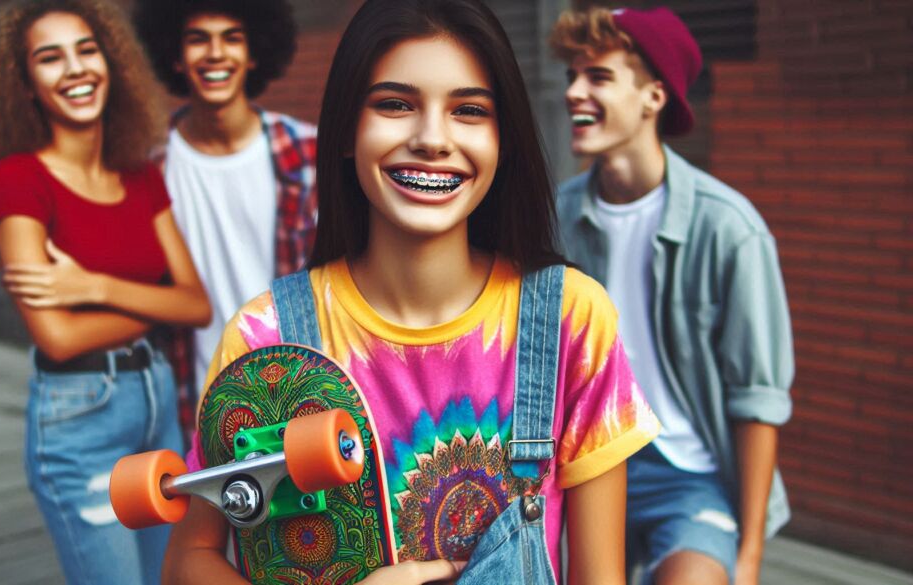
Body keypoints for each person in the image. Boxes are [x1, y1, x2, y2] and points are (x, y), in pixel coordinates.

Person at [162, 0, 661, 583]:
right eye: (396, 104)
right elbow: (189, 563)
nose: (432, 138)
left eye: (469, 110)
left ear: (505, 139)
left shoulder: (571, 321)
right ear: (348, 130)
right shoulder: (262, 339)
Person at [0, 0, 211, 583]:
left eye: (86, 50)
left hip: (158, 403)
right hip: (81, 417)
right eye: (49, 58)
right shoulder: (16, 180)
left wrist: (91, 285)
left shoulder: (140, 176)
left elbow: (196, 304)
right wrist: (152, 306)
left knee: (166, 578)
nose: (75, 69)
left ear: (110, 63)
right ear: (26, 85)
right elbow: (57, 338)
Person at [550, 7, 794, 585]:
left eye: (599, 77)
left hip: (690, 474)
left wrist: (750, 560)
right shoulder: (555, 217)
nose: (574, 93)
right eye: (571, 78)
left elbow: (758, 401)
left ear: (654, 96)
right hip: (586, 462)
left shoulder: (730, 228)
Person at [136, 0, 318, 424]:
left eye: (231, 38)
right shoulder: (148, 169)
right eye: (198, 39)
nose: (215, 53)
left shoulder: (309, 152)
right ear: (175, 56)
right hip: (192, 402)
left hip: (300, 391)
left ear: (254, 54)